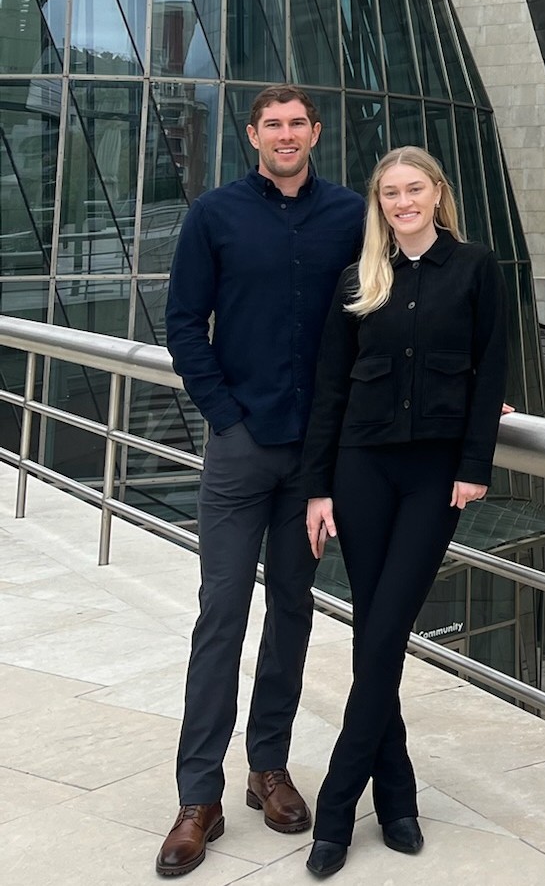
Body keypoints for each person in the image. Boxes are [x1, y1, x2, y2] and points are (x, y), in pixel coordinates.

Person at [159, 86, 366, 876]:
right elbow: (183, 321)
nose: (286, 135)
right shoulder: (215, 214)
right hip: (242, 448)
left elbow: (399, 297)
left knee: (292, 608)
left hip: (316, 458)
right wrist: (225, 413)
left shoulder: (350, 213)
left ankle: (267, 766)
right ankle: (196, 796)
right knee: (220, 613)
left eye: (297, 124)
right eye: (271, 125)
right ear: (253, 135)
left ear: (316, 132)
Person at [296, 146, 510, 877]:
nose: (402, 201)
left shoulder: (477, 269)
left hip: (434, 478)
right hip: (361, 470)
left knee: (384, 629)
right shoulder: (359, 277)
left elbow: (491, 370)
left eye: (413, 189)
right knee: (374, 635)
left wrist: (475, 464)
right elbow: (330, 386)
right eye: (390, 192)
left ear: (437, 193)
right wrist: (317, 486)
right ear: (379, 203)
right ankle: (397, 798)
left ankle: (334, 808)